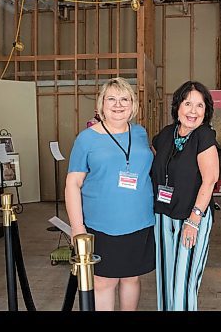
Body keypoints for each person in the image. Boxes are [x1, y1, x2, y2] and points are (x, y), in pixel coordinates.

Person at [65, 77, 155, 311]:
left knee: (132, 278)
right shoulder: (86, 139)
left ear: (133, 104)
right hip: (101, 225)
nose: (118, 104)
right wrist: (77, 228)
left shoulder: (140, 133)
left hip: (139, 222)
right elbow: (73, 184)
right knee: (104, 282)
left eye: (124, 99)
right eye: (112, 99)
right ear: (101, 105)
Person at [151, 80, 219, 311]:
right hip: (162, 217)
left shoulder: (204, 136)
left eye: (199, 106)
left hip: (191, 219)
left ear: (206, 111)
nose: (193, 110)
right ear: (177, 106)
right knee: (165, 282)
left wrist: (194, 220)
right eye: (188, 103)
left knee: (183, 284)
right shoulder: (166, 135)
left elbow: (209, 181)